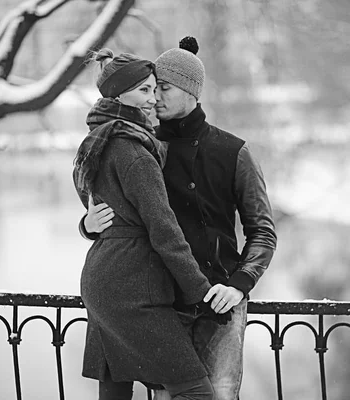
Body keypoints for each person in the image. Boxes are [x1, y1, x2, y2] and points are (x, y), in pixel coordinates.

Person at [81, 37, 277, 400]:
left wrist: (238, 284)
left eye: (164, 88)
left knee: (216, 396)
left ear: (191, 91)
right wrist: (88, 224)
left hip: (219, 303)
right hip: (161, 303)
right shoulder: (139, 145)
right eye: (151, 89)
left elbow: (262, 231)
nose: (155, 98)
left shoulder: (235, 151)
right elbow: (117, 212)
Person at [73, 49, 224, 400]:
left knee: (115, 389)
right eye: (143, 90)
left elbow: (100, 210)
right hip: (131, 288)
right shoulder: (135, 153)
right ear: (117, 94)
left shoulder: (99, 140)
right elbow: (164, 230)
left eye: (155, 90)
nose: (152, 99)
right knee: (195, 390)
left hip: (103, 279)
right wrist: (199, 290)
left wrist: (87, 226)